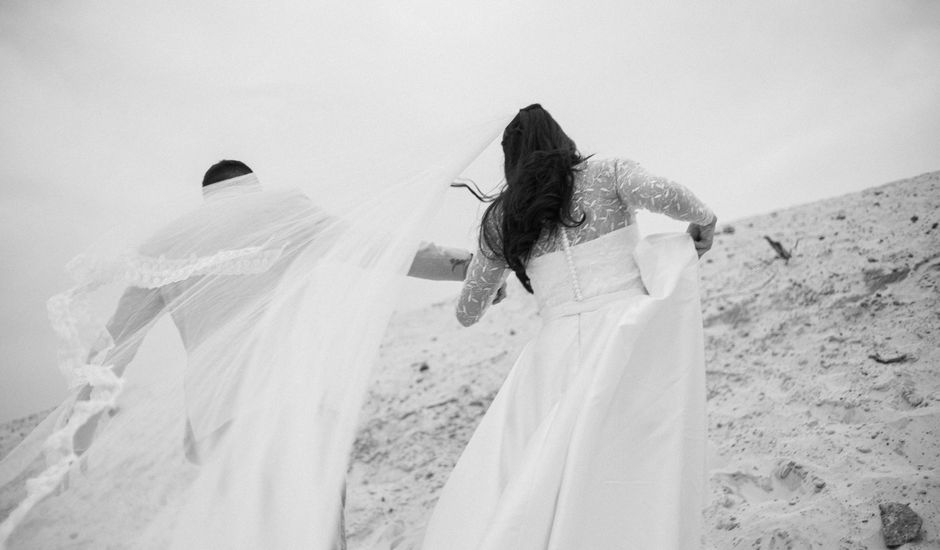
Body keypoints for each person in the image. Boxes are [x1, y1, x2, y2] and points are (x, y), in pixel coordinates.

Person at [421, 104, 716, 549]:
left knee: (547, 475)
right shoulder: (608, 172)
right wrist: (706, 221)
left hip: (553, 356)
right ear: (560, 138)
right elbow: (672, 197)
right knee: (631, 461)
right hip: (625, 335)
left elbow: (467, 312)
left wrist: (491, 285)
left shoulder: (503, 219)